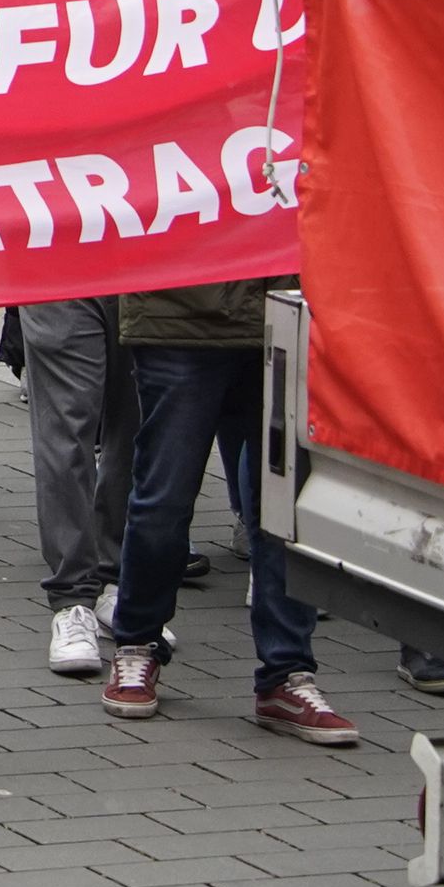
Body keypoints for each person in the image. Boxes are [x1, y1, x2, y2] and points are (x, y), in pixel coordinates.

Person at [100, 277, 360, 747]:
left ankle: (287, 672)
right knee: (164, 498)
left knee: (283, 510)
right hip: (178, 313)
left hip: (282, 312)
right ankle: (138, 642)